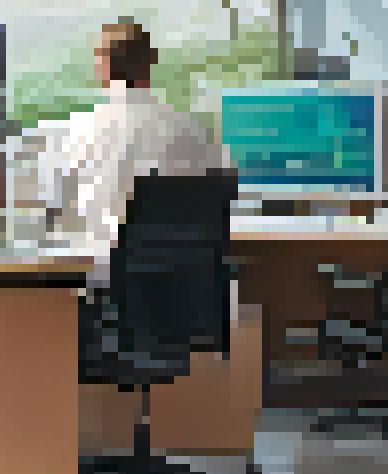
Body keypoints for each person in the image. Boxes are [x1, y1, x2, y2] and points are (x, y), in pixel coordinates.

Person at [18, 19, 231, 287]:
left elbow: (51, 211)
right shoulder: (197, 132)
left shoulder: (76, 133)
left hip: (111, 295)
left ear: (101, 69)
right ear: (150, 63)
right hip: (192, 300)